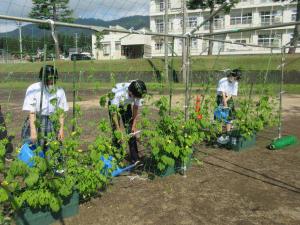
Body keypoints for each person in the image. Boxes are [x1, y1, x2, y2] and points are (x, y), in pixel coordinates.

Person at [21, 65, 69, 148]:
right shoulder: (33, 89)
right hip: (36, 120)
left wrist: (61, 129)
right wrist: (33, 131)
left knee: (53, 148)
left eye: (53, 79)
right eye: (49, 79)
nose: (51, 81)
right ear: (43, 78)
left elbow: (61, 111)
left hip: (53, 121)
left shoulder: (59, 90)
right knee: (34, 148)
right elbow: (32, 112)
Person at [108, 80, 147, 163]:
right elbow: (114, 113)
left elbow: (135, 108)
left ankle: (135, 159)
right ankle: (117, 157)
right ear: (130, 93)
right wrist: (119, 129)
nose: (137, 99)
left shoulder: (138, 91)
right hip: (115, 107)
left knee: (130, 130)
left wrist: (134, 125)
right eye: (135, 97)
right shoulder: (117, 93)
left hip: (126, 105)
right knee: (116, 132)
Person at [216, 69, 242, 144]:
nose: (236, 80)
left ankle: (228, 134)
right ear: (231, 75)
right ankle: (220, 134)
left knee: (229, 117)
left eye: (237, 79)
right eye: (236, 78)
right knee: (220, 116)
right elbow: (223, 93)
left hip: (228, 98)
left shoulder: (235, 83)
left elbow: (231, 94)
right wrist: (224, 103)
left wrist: (227, 102)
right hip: (220, 97)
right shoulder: (223, 81)